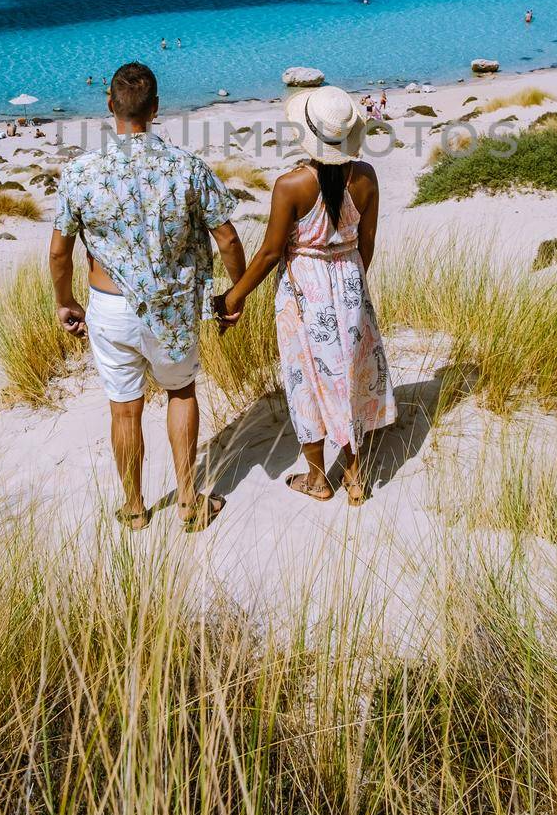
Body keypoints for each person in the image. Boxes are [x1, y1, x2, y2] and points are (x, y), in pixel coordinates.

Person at [50, 61, 246, 533]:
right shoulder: (187, 168)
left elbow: (60, 252)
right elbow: (228, 240)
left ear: (110, 106)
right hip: (173, 307)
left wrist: (66, 301)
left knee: (124, 407)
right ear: (156, 108)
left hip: (110, 307)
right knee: (180, 392)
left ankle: (136, 508)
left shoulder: (80, 173)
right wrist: (235, 293)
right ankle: (186, 499)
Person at [218, 85, 394, 505]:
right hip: (350, 280)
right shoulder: (367, 177)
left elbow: (270, 253)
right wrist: (351, 284)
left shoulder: (291, 184)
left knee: (307, 381)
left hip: (304, 290)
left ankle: (318, 479)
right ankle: (353, 474)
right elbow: (366, 243)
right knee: (346, 374)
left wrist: (233, 298)